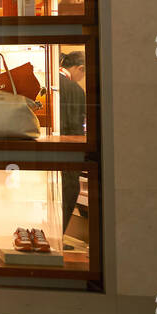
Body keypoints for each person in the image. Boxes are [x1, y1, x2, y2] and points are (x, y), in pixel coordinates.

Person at [58, 50, 87, 243]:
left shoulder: (53, 83)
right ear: (79, 68)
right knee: (68, 193)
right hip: (68, 154)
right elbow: (78, 126)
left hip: (54, 154)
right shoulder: (75, 90)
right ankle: (57, 239)